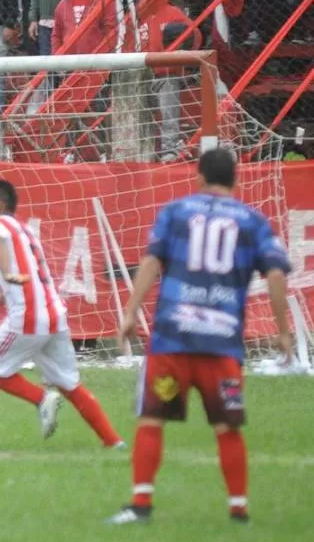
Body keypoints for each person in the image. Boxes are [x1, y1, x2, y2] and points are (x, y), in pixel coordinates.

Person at [108, 148, 293, 525]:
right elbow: (276, 274)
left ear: (198, 177)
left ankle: (140, 505)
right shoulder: (253, 221)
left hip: (172, 337)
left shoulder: (176, 213)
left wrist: (130, 313)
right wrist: (283, 331)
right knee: (227, 427)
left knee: (151, 420)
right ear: (236, 179)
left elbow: (151, 260)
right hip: (221, 342)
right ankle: (238, 510)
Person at [0, 180, 123, 447]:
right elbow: (4, 293)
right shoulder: (26, 232)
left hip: (28, 317)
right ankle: (114, 442)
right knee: (69, 385)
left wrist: (6, 271)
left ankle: (41, 399)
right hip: (55, 316)